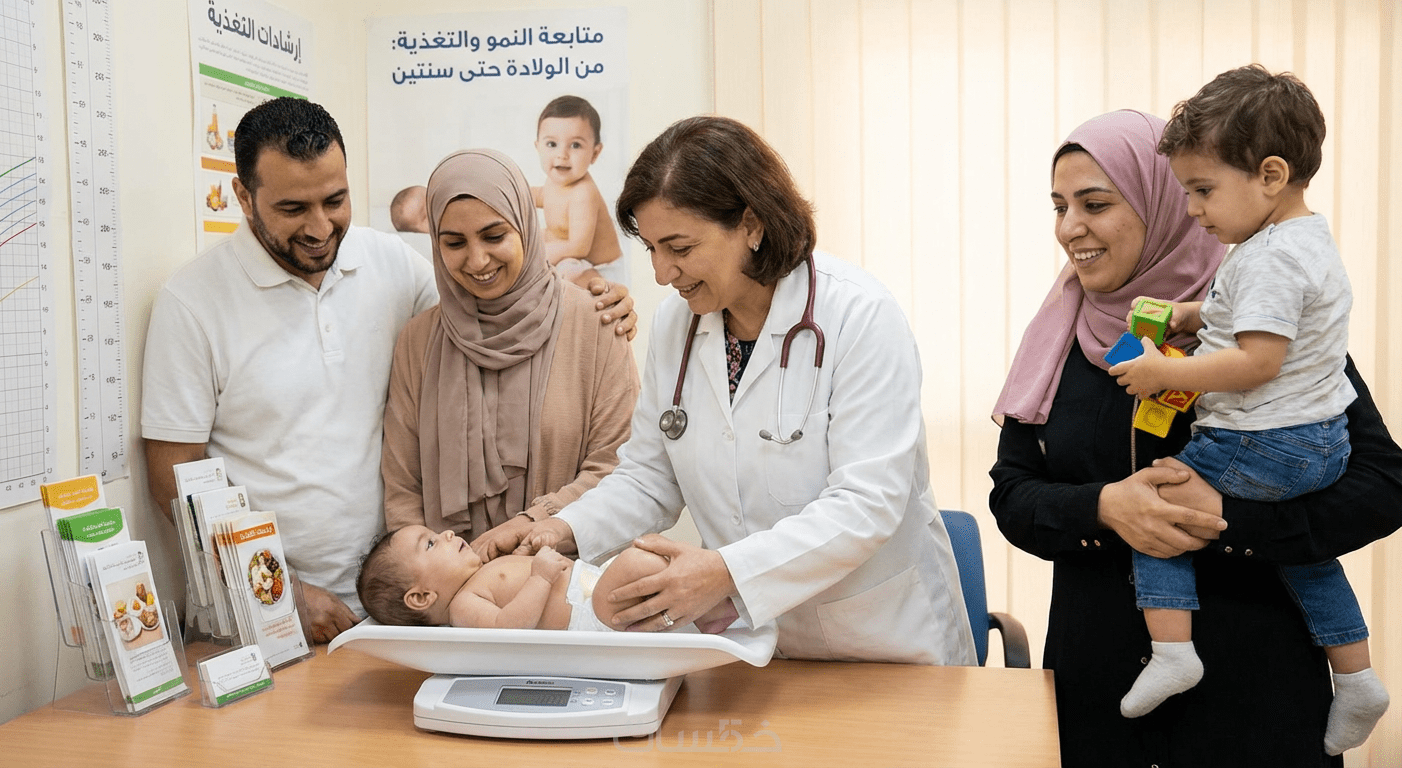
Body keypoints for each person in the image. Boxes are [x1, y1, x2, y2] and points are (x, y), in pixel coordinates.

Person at [989, 108, 1402, 767]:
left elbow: (1382, 486)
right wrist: (1105, 508)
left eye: (1095, 204)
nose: (1070, 228)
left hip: (1255, 701)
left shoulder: (1261, 322)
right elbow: (1012, 494)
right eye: (1060, 207)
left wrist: (1226, 520)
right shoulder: (1055, 340)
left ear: (1166, 204)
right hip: (1097, 697)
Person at [141, 97, 636, 643]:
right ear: (243, 196)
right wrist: (278, 591)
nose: (320, 227)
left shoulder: (391, 266)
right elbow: (175, 479)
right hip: (272, 612)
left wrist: (588, 290)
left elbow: (485, 309)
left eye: (335, 200)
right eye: (293, 208)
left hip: (404, 613)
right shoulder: (193, 303)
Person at [496, 115, 976, 665]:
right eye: (651, 248)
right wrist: (562, 529)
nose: (662, 273)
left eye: (679, 247)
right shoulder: (677, 325)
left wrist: (725, 572)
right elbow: (650, 477)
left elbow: (867, 503)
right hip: (751, 646)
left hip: (882, 643)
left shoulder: (859, 317)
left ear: (751, 224)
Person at [1104, 66, 1386, 752]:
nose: (1192, 210)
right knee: (1308, 558)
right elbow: (1254, 319)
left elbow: (1258, 361)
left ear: (1270, 175)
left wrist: (1163, 371)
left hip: (1263, 441)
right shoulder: (1299, 240)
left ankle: (1174, 652)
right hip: (1320, 441)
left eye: (1203, 190)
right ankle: (1356, 677)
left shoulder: (1267, 259)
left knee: (1156, 505)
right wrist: (1194, 315)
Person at [381, 148, 639, 561]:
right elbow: (403, 489)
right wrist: (442, 580)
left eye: (494, 236)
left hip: (568, 583)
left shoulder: (597, 322)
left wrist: (537, 524)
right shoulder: (419, 341)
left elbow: (618, 467)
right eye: (454, 242)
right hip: (451, 593)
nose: (477, 260)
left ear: (525, 225)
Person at [357, 524, 696, 633]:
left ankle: (708, 610)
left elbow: (516, 582)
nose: (445, 533)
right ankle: (708, 609)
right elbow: (509, 628)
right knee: (639, 561)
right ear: (421, 597)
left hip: (594, 585)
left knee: (652, 550)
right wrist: (541, 577)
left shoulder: (479, 575)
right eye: (430, 543)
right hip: (590, 613)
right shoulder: (462, 607)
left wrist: (533, 550)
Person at [530, 95, 624, 288]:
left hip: (600, 269)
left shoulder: (583, 193)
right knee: (526, 237)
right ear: (538, 147)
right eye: (552, 144)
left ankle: (600, 295)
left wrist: (539, 254)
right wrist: (512, 194)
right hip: (573, 255)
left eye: (575, 145)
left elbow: (578, 247)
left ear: (595, 153)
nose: (562, 154)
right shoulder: (555, 181)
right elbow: (541, 196)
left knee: (566, 271)